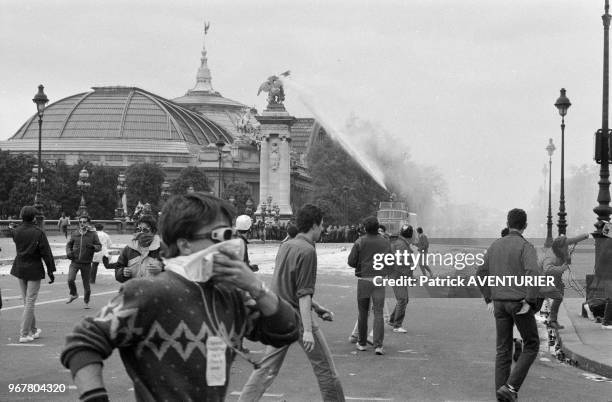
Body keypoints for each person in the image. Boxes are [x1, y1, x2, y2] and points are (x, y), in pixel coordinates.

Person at [60, 192, 299, 401]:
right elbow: (83, 343)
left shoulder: (231, 294)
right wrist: (94, 397)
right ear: (185, 244)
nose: (232, 243)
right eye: (221, 235)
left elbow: (286, 330)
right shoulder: (150, 292)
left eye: (233, 235)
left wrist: (256, 287)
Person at [239, 204, 345, 402]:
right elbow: (303, 294)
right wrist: (306, 330)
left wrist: (316, 306)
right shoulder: (307, 250)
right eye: (321, 225)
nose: (323, 229)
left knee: (265, 370)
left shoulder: (286, 245)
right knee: (326, 370)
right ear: (313, 225)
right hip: (298, 317)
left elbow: (288, 285)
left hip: (279, 315)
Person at [476, 209, 542, 402]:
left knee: (503, 349)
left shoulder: (495, 246)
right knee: (531, 343)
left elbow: (480, 273)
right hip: (518, 302)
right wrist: (530, 301)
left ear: (508, 223)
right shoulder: (525, 246)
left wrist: (488, 297)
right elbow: (533, 273)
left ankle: (502, 394)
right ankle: (511, 387)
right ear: (525, 225)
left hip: (499, 303)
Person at [10, 206, 56, 343]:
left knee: (27, 301)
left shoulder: (16, 231)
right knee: (30, 302)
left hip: (20, 267)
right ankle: (24, 334)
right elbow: (46, 254)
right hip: (34, 268)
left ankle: (34, 330)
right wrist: (50, 271)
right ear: (34, 217)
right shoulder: (38, 233)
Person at [348, 216, 392, 355]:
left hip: (364, 280)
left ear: (365, 228)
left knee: (363, 313)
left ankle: (361, 343)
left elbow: (351, 261)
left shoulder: (360, 241)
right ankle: (378, 346)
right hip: (379, 280)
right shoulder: (385, 242)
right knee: (378, 313)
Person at [541, 234, 589, 330]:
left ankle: (552, 320)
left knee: (558, 295)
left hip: (554, 279)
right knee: (543, 300)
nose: (567, 249)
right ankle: (552, 321)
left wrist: (585, 236)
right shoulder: (551, 256)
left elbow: (574, 239)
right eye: (565, 247)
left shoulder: (561, 246)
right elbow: (547, 270)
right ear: (559, 248)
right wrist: (562, 268)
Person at [105, 215, 163, 282]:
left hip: (154, 291)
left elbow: (174, 272)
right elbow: (118, 269)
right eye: (139, 229)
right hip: (133, 290)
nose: (141, 233)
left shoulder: (162, 249)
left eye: (145, 230)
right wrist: (122, 272)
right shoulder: (129, 249)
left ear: (153, 231)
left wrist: (161, 270)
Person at [66, 215, 101, 308]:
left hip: (86, 263)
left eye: (84, 222)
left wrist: (93, 247)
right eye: (80, 222)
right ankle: (74, 294)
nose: (82, 223)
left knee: (87, 286)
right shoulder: (74, 233)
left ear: (88, 223)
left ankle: (86, 301)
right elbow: (69, 245)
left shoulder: (93, 234)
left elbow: (99, 246)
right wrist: (69, 252)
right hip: (75, 262)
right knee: (70, 279)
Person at [387, 224, 414, 333]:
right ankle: (397, 325)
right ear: (410, 235)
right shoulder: (402, 245)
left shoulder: (400, 243)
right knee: (402, 299)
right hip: (398, 276)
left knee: (403, 299)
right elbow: (402, 263)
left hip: (396, 275)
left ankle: (393, 320)